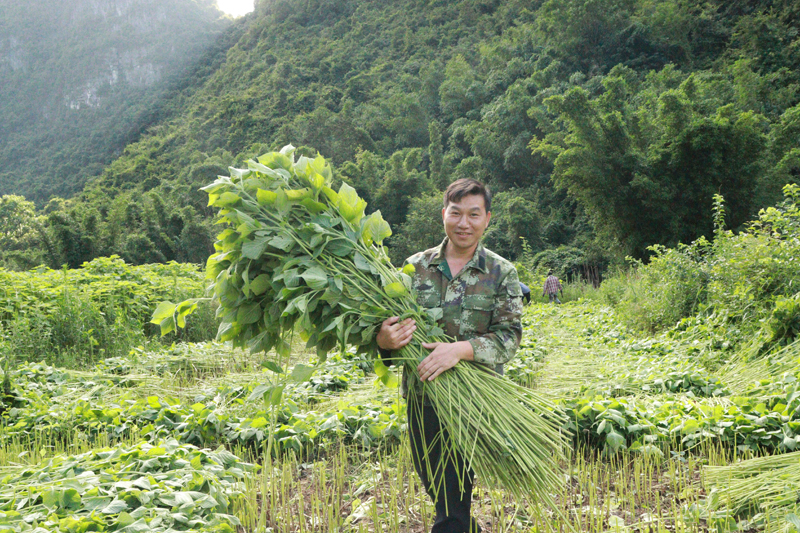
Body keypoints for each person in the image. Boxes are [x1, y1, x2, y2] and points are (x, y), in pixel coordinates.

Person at [376, 178, 523, 533]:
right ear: (444, 214)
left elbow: (509, 337)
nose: (464, 223)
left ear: (487, 219)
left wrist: (458, 351)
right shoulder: (412, 269)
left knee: (452, 492)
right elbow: (390, 337)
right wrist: (383, 339)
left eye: (474, 214)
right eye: (456, 213)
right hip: (423, 395)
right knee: (437, 482)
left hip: (476, 397)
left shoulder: (502, 273)